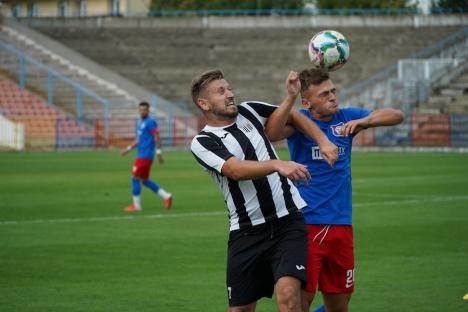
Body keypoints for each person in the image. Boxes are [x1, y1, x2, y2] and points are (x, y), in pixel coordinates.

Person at [190, 69, 338, 312]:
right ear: (203, 103)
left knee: (290, 298)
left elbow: (293, 116)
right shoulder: (203, 142)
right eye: (221, 91)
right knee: (240, 310)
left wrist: (322, 139)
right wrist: (277, 164)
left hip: (288, 222)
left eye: (229, 88)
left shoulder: (249, 110)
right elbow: (234, 169)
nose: (230, 94)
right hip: (246, 232)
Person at [265, 68, 404, 312]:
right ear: (307, 102)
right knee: (301, 301)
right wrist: (289, 97)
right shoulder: (300, 122)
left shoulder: (346, 117)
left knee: (339, 306)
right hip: (307, 225)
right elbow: (272, 133)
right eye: (324, 94)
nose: (332, 97)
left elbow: (396, 115)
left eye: (333, 91)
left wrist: (365, 121)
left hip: (342, 225)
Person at [121, 101, 172, 212]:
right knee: (144, 180)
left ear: (148, 110)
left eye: (144, 109)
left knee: (135, 179)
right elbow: (139, 139)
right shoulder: (140, 122)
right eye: (140, 109)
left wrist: (159, 153)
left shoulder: (150, 122)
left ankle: (137, 206)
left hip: (145, 155)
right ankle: (166, 196)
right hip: (141, 154)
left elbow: (157, 136)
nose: (142, 111)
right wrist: (128, 149)